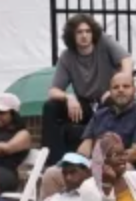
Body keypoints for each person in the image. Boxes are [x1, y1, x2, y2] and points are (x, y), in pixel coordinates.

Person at [43, 15, 129, 159]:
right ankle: (52, 160)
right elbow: (53, 91)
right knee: (51, 106)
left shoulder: (104, 42)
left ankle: (110, 154)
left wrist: (118, 85)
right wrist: (69, 97)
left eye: (88, 31)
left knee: (114, 105)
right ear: (72, 35)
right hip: (86, 104)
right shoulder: (67, 56)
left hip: (108, 99)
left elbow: (126, 59)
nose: (84, 35)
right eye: (79, 32)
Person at [81, 70, 136, 163]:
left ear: (134, 90)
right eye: (116, 87)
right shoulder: (99, 115)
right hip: (97, 166)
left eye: (126, 86)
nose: (120, 90)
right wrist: (79, 162)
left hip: (126, 168)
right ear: (110, 92)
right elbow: (85, 147)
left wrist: (108, 160)